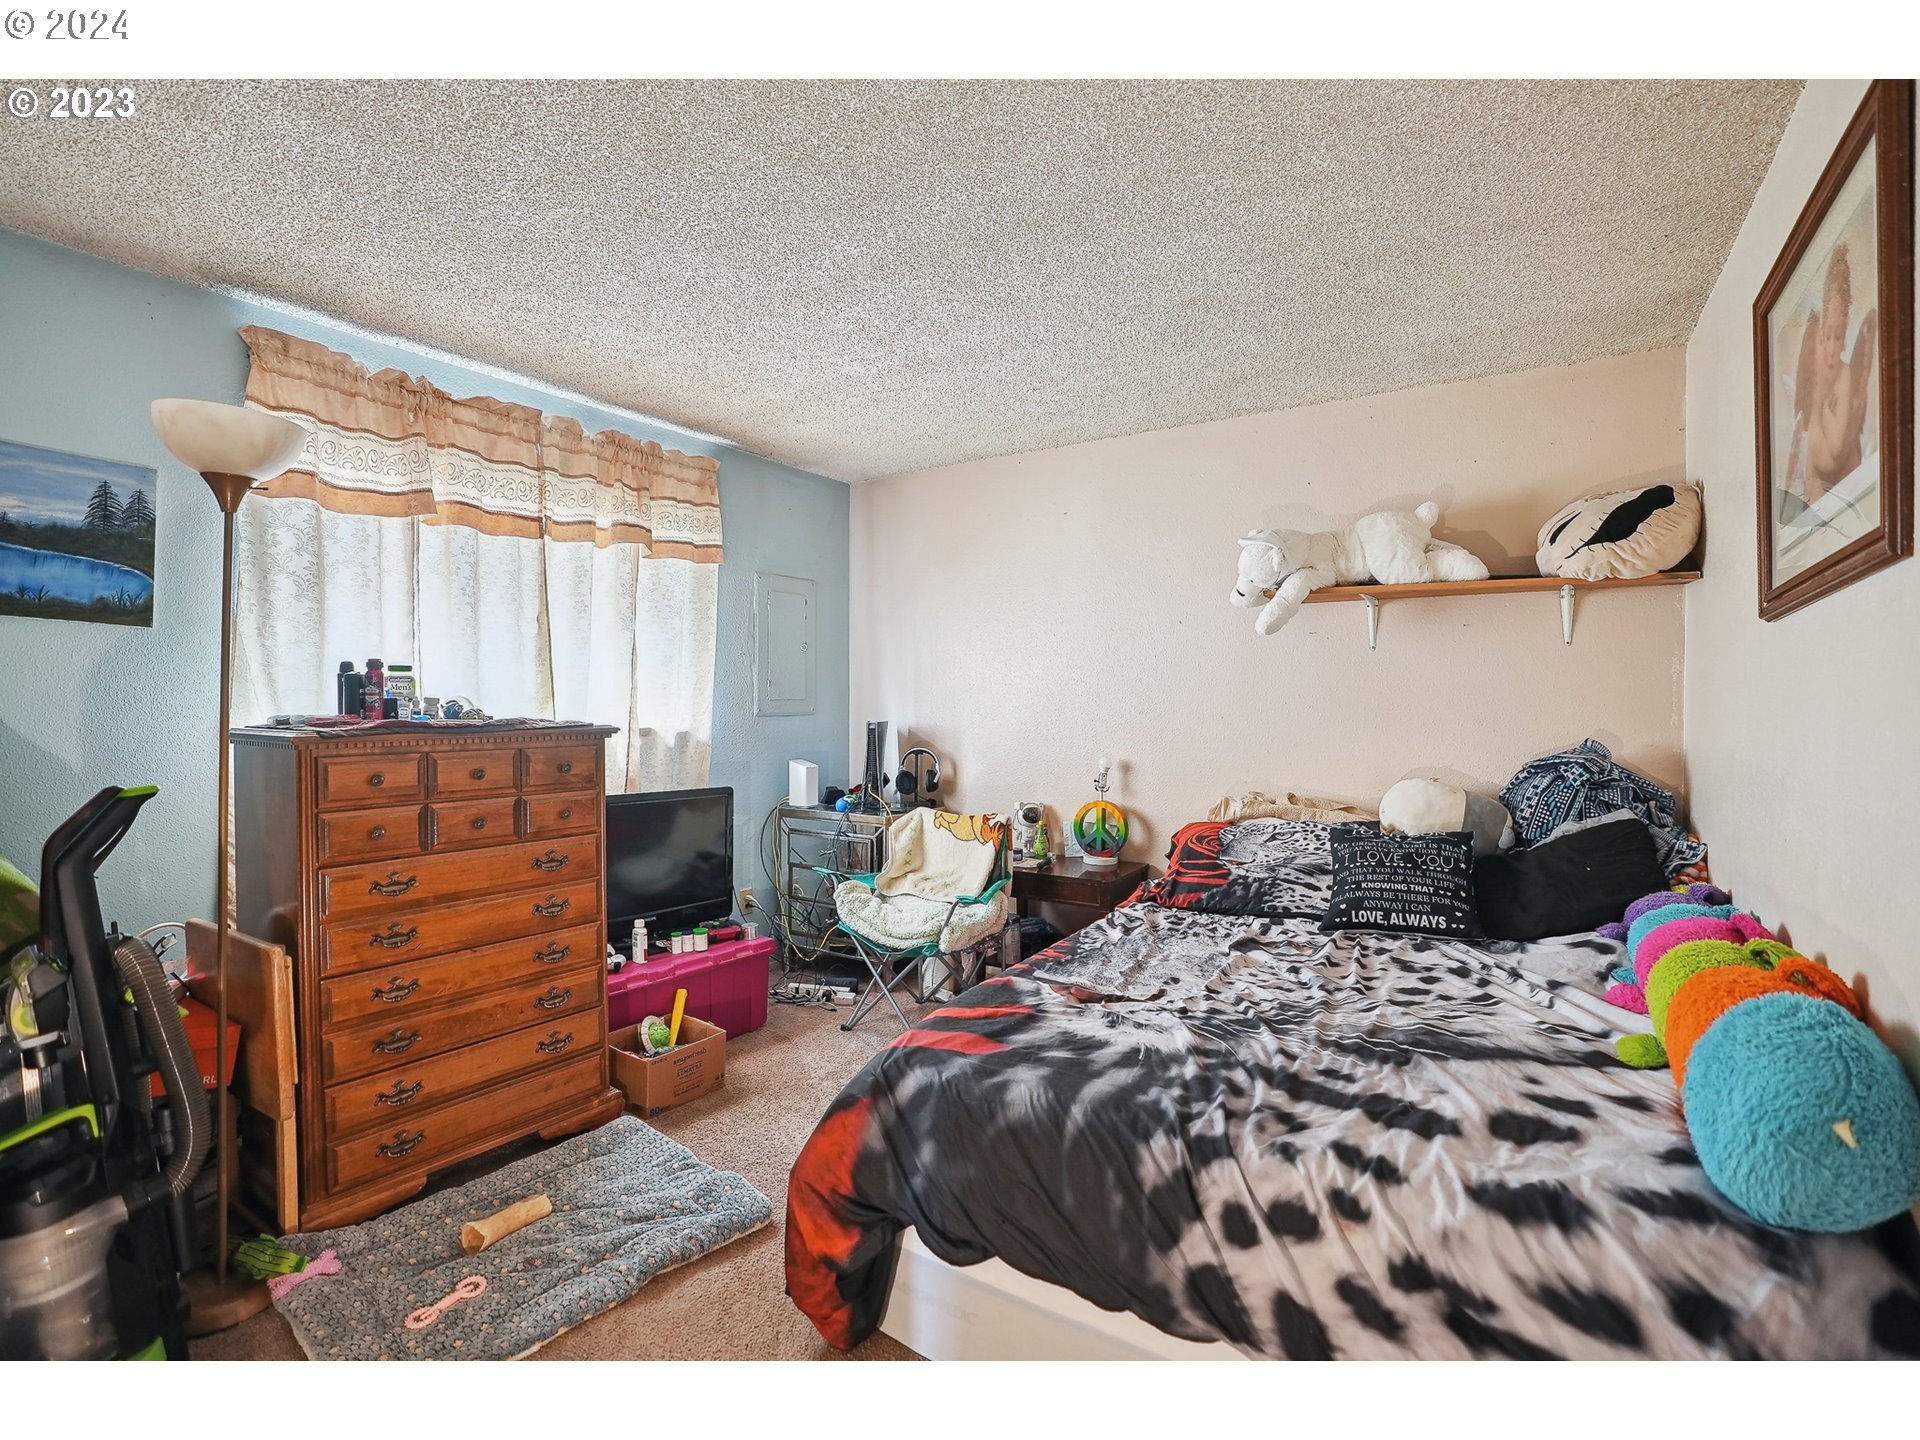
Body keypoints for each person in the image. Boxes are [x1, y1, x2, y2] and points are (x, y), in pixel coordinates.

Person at [1787, 243, 1879, 504]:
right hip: (1816, 482)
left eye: (1838, 337)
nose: (1831, 348)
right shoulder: (1815, 376)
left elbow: (1837, 449)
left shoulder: (1846, 375)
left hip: (1842, 478)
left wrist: (1822, 414)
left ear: (1845, 339)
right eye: (1827, 337)